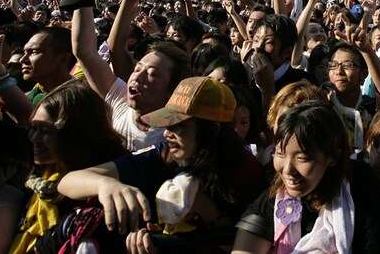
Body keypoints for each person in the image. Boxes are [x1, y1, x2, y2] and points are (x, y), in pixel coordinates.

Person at [58, 77, 264, 252]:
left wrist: (205, 211)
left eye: (179, 126)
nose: (167, 133)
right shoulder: (162, 155)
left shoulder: (247, 170)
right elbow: (68, 182)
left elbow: (249, 245)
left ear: (213, 130)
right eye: (167, 124)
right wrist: (106, 185)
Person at [233, 101, 380, 253]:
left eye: (302, 158)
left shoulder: (359, 184)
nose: (288, 170)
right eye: (280, 154)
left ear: (333, 157)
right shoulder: (275, 197)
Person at [71, 0, 192, 151]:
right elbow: (85, 52)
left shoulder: (177, 133)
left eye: (152, 74)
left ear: (172, 90)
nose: (137, 77)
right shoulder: (120, 101)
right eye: (137, 69)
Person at [11, 80, 127, 253]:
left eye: (46, 131)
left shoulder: (97, 199)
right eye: (33, 128)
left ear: (76, 135)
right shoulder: (37, 174)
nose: (34, 138)